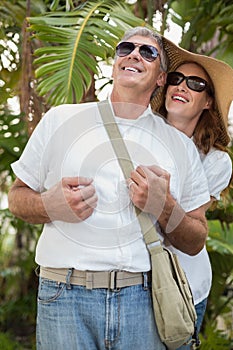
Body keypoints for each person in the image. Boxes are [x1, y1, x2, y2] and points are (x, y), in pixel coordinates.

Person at [8, 27, 210, 350]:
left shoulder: (179, 147)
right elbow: (16, 198)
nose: (133, 55)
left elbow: (197, 239)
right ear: (115, 63)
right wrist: (50, 205)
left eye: (147, 52)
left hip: (142, 302)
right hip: (64, 298)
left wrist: (164, 207)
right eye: (125, 48)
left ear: (160, 78)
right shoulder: (59, 120)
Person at [150, 40, 233, 349]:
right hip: (132, 281)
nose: (182, 86)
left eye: (196, 84)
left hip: (183, 285)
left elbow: (186, 227)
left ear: (208, 102)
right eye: (176, 78)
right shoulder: (139, 133)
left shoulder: (215, 161)